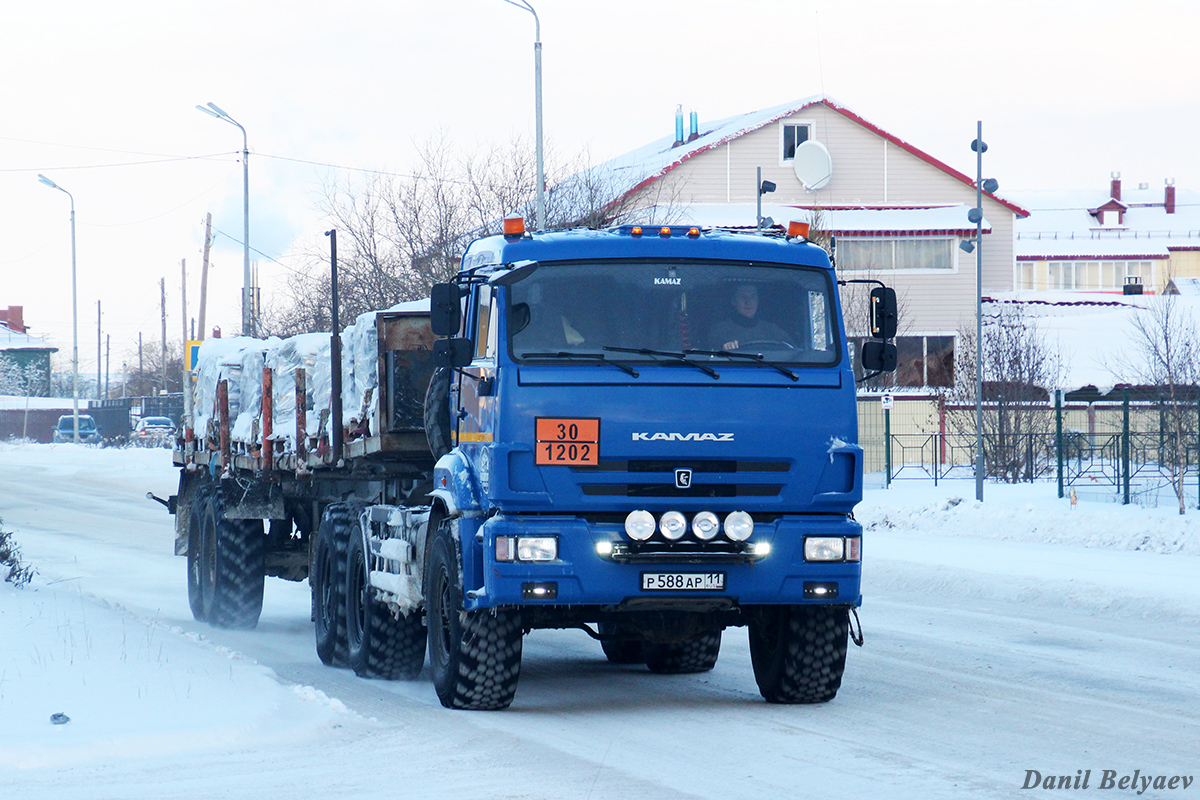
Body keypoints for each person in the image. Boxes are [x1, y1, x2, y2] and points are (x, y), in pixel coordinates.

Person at [709, 284, 791, 351]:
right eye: (743, 297)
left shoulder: (772, 330)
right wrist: (723, 350)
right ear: (733, 301)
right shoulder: (720, 330)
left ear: (758, 301)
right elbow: (709, 357)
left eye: (752, 297)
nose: (748, 302)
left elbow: (792, 350)